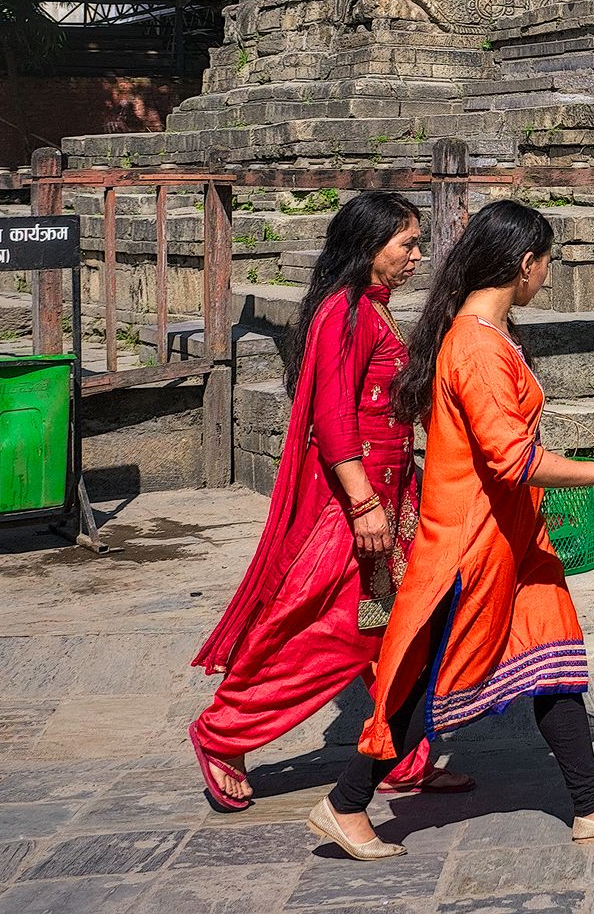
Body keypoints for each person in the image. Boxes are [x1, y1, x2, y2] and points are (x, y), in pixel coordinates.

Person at [309, 199, 594, 860]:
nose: (548, 276)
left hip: (510, 539)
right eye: (546, 263)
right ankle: (344, 801)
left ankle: (591, 803)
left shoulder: (488, 334)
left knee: (555, 653)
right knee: (416, 673)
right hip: (471, 543)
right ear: (525, 263)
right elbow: (512, 457)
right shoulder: (476, 344)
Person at [187, 191, 460, 810]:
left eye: (417, 243)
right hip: (356, 508)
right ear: (369, 249)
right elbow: (335, 421)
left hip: (395, 496)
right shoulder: (343, 311)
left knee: (405, 628)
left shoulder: (371, 309)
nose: (418, 255)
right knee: (330, 632)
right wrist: (365, 507)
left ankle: (399, 753)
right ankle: (225, 730)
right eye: (407, 244)